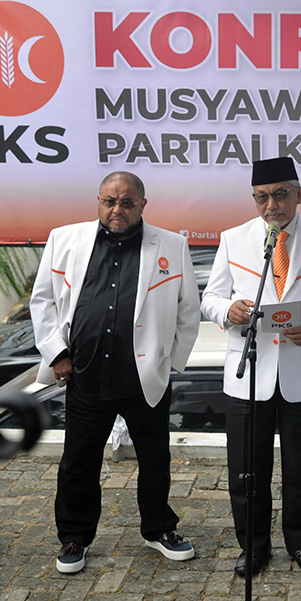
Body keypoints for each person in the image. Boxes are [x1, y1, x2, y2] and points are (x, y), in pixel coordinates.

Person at [29, 171, 200, 574]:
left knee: (156, 461)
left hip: (144, 379)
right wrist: (57, 355)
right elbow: (43, 302)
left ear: (143, 204)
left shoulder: (172, 246)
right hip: (85, 374)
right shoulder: (64, 239)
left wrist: (169, 362)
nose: (117, 209)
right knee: (78, 462)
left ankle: (158, 529)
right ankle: (74, 537)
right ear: (99, 201)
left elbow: (188, 311)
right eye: (109, 201)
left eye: (126, 202)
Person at [201, 157, 301, 578]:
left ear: (299, 194)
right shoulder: (234, 239)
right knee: (247, 469)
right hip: (249, 373)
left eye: (280, 194)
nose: (271, 205)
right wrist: (227, 309)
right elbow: (210, 297)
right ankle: (253, 547)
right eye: (262, 197)